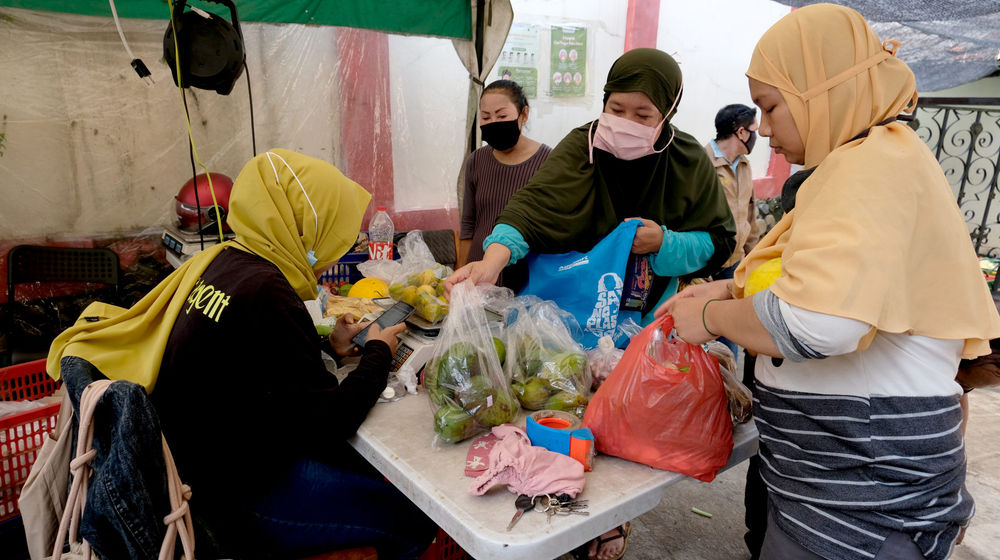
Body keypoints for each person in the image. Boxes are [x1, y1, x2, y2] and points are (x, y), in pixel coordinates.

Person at [659, 5, 1000, 560]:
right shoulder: (877, 159)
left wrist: (710, 319)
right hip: (846, 495)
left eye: (771, 106)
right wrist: (726, 291)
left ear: (823, 89)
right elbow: (823, 281)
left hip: (859, 508)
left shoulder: (869, 168)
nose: (764, 128)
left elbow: (819, 322)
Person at [48, 149, 436, 559]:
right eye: (332, 236)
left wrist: (330, 348)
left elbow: (257, 367)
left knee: (363, 476)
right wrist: (376, 353)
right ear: (305, 228)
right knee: (414, 522)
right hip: (240, 495)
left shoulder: (224, 263)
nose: (334, 253)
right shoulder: (268, 292)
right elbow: (329, 424)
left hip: (199, 469)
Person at [448, 48, 736, 560]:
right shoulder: (579, 148)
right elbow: (530, 210)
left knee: (622, 439)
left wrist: (663, 244)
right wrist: (491, 261)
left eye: (643, 115)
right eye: (617, 108)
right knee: (560, 417)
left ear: (667, 113)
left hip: (643, 324)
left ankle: (608, 525)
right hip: (562, 323)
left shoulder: (688, 160)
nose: (625, 123)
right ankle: (561, 522)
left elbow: (717, 241)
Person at [459, 79, 552, 290]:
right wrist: (462, 269)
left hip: (525, 277)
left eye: (502, 116)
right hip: (477, 273)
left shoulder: (548, 161)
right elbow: (468, 224)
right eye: (485, 117)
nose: (493, 122)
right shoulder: (476, 160)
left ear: (524, 114)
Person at [705, 103, 762, 360]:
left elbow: (749, 214)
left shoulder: (745, 166)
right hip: (706, 264)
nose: (757, 136)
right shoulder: (703, 162)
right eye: (754, 130)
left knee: (732, 332)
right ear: (741, 132)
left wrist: (754, 255)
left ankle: (730, 393)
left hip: (735, 261)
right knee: (704, 332)